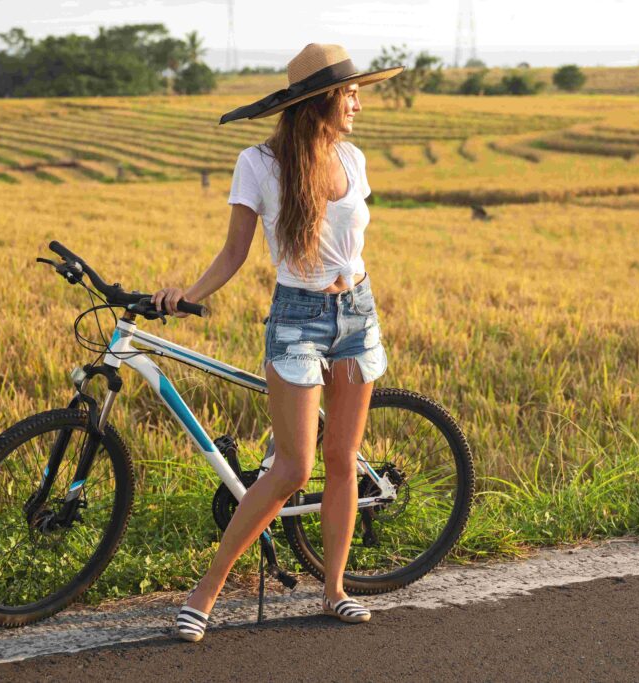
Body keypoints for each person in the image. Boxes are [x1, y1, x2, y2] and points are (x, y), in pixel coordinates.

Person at [150, 43, 404, 643]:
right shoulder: (258, 164)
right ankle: (205, 594)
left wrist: (351, 289)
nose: (357, 103)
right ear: (320, 101)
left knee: (343, 461)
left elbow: (351, 243)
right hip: (296, 319)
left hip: (357, 314)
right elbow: (236, 251)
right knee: (294, 467)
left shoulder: (353, 158)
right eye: (349, 93)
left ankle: (334, 589)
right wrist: (186, 292)